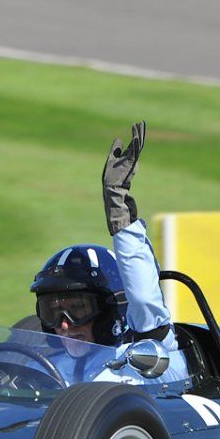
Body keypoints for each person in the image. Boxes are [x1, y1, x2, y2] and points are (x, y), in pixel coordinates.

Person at [29, 122, 190, 388]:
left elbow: (143, 298)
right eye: (52, 312)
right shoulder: (46, 366)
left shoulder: (150, 361)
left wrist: (120, 215)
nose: (64, 325)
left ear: (111, 313)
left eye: (78, 310)